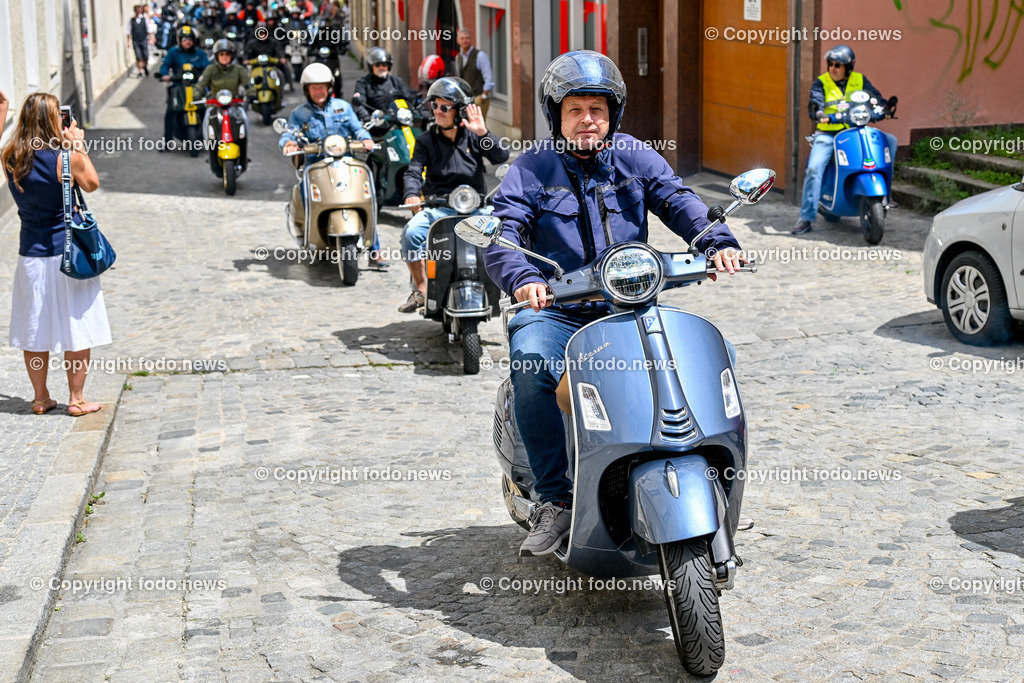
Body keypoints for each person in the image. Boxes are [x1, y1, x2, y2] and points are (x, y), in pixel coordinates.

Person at [483, 51, 745, 556]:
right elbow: (504, 230)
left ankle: (714, 476)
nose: (588, 119)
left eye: (598, 110)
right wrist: (523, 279)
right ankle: (556, 500)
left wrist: (719, 242)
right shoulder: (532, 168)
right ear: (556, 114)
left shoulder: (635, 157)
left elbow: (679, 199)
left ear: (613, 114)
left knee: (718, 354)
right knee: (533, 358)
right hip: (558, 311)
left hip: (632, 306)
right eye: (576, 109)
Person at [1, 91, 111, 417]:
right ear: (55, 120)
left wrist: (4, 107)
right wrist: (77, 143)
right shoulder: (66, 157)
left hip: (31, 255)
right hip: (69, 253)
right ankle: (76, 400)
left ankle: (40, 397)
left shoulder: (10, 156)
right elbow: (91, 183)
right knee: (76, 325)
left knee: (35, 327)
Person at [397, 77, 508, 313]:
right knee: (411, 233)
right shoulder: (425, 140)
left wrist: (484, 133)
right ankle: (420, 289)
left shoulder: (474, 136)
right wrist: (411, 194)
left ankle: (507, 288)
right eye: (435, 106)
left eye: (444, 107)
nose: (437, 111)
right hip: (439, 209)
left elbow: (501, 156)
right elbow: (414, 171)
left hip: (476, 208)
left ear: (459, 111)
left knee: (507, 233)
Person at [793, 45, 898, 235]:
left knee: (890, 141)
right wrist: (819, 113)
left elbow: (875, 97)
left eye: (838, 65)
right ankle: (806, 217)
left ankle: (886, 196)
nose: (833, 68)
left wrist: (884, 107)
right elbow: (815, 101)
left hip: (856, 130)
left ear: (848, 68)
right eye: (830, 64)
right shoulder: (821, 82)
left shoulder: (860, 79)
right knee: (814, 167)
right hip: (829, 134)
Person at [158, 25, 210, 149]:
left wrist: (208, 76)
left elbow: (208, 67)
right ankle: (167, 142)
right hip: (178, 87)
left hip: (197, 87)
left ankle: (212, 138)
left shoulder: (200, 54)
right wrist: (164, 74)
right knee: (170, 112)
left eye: (190, 39)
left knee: (208, 109)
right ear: (180, 41)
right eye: (185, 39)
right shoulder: (173, 52)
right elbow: (165, 65)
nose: (188, 41)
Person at [351, 47, 416, 128]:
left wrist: (419, 110)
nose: (381, 67)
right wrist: (367, 118)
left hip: (398, 124)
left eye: (384, 64)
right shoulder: (363, 83)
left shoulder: (396, 81)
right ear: (371, 66)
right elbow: (359, 105)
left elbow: (410, 99)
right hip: (376, 127)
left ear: (388, 66)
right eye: (377, 65)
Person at [453, 29, 493, 119]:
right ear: (458, 41)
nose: (465, 40)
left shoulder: (480, 56)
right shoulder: (458, 58)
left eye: (467, 38)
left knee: (478, 127)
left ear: (471, 39)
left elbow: (489, 78)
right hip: (465, 100)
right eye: (462, 38)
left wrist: (483, 97)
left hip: (478, 98)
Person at [127, 4, 155, 78]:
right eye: (137, 10)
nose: (138, 11)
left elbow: (149, 30)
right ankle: (140, 71)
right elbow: (128, 31)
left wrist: (151, 39)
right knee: (138, 56)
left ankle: (145, 66)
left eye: (139, 10)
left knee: (145, 56)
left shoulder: (144, 19)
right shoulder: (131, 20)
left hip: (143, 40)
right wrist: (128, 42)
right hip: (136, 40)